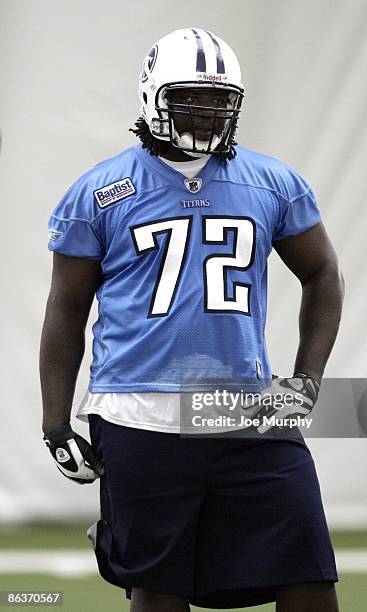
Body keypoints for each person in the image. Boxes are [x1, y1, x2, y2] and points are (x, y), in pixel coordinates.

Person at [40, 27, 344, 612]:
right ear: (153, 97)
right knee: (158, 586)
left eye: (219, 101)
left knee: (308, 572)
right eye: (190, 99)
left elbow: (323, 275)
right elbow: (65, 310)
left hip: (245, 409)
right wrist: (56, 423)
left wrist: (306, 379)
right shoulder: (100, 191)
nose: (206, 113)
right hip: (137, 410)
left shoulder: (272, 181)